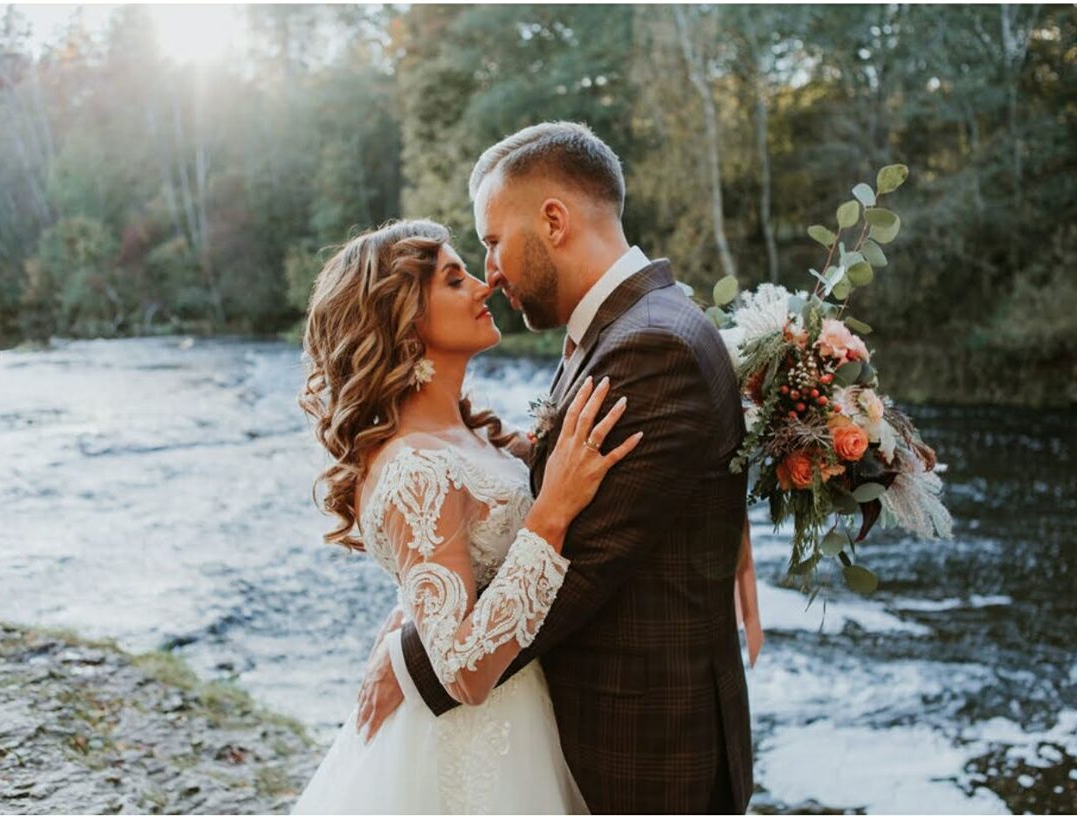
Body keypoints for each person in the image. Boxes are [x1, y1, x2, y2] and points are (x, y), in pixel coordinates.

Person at [357, 122, 761, 814]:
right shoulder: (617, 331)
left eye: (490, 241)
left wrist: (412, 658)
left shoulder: (648, 346)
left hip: (645, 756)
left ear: (553, 220)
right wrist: (420, 605)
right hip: (602, 740)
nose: (492, 273)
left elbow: (576, 564)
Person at [292, 218, 643, 813]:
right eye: (456, 280)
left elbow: (444, 573)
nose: (484, 286)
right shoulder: (414, 468)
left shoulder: (467, 436)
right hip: (479, 746)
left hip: (528, 715)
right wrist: (550, 514)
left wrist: (399, 638)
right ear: (403, 321)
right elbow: (462, 672)